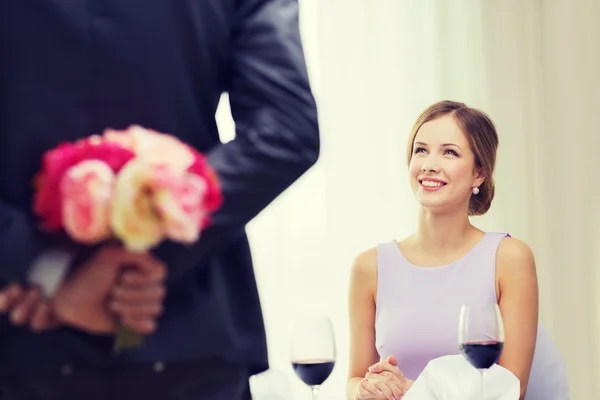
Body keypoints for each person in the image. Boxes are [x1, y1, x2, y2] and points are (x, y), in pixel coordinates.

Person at [0, 0, 319, 398]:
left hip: (21, 332)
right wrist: (147, 257)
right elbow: (286, 131)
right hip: (187, 331)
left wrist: (44, 267)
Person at [346, 101, 569, 399]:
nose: (429, 164)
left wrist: (418, 393)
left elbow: (512, 389)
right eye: (420, 150)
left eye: (449, 152)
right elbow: (354, 380)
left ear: (479, 173)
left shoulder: (509, 258)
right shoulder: (369, 267)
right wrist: (366, 389)